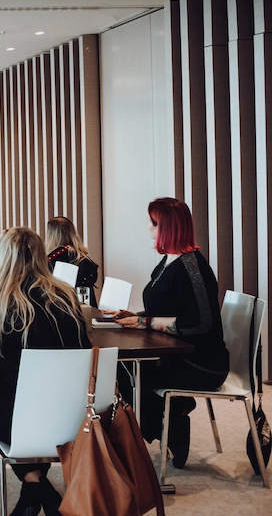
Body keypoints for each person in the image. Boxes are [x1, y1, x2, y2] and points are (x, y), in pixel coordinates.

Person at [0, 227, 90, 516]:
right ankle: (32, 494)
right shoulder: (67, 296)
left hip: (18, 417)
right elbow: (84, 347)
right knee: (35, 419)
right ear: (40, 255)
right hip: (71, 417)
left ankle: (36, 483)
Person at [106, 197, 228, 470]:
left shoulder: (191, 266)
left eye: (152, 222)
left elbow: (201, 324)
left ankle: (168, 423)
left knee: (126, 372)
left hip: (202, 364)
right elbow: (166, 308)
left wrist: (146, 323)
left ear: (166, 227)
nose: (148, 227)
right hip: (173, 354)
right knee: (121, 369)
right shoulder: (168, 261)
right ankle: (169, 420)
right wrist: (135, 316)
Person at [45, 216, 99, 304]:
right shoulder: (82, 257)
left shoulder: (53, 260)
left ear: (51, 235)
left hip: (65, 309)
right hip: (87, 308)